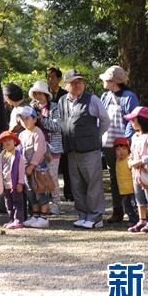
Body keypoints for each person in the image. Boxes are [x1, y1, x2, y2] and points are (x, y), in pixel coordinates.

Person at [57, 69, 110, 229]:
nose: (78, 84)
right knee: (76, 184)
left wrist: (95, 136)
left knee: (93, 184)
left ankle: (95, 217)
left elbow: (105, 121)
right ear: (66, 85)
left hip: (90, 150)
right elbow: (61, 121)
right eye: (73, 82)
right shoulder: (62, 101)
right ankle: (83, 215)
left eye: (80, 81)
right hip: (72, 150)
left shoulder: (92, 99)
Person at [99, 66, 138, 224]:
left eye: (105, 80)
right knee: (114, 178)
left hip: (124, 144)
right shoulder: (105, 96)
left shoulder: (129, 97)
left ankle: (134, 211)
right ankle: (118, 210)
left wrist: (126, 141)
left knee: (129, 176)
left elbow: (133, 119)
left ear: (112, 81)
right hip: (108, 144)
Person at [29, 80, 63, 215]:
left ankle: (56, 203)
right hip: (37, 148)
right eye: (35, 93)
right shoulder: (32, 108)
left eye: (40, 93)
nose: (37, 96)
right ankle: (43, 204)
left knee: (52, 177)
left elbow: (57, 126)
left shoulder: (55, 107)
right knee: (39, 178)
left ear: (46, 94)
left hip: (53, 148)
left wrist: (41, 118)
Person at [124, 107, 148, 234]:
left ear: (142, 121)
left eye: (134, 120)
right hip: (136, 173)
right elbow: (133, 153)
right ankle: (142, 219)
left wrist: (138, 162)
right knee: (139, 197)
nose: (131, 123)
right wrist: (130, 160)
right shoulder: (135, 136)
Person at [16, 106, 51, 229]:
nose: (25, 121)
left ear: (35, 119)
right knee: (31, 192)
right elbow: (19, 151)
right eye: (22, 119)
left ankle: (44, 217)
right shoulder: (21, 135)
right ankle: (35, 215)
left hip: (38, 169)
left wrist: (32, 165)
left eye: (27, 118)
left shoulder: (38, 132)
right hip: (26, 168)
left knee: (41, 191)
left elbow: (39, 151)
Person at [46, 67, 73, 202]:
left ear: (59, 78)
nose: (50, 80)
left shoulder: (65, 94)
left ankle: (69, 193)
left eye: (52, 77)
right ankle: (51, 194)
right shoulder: (45, 94)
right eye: (48, 77)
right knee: (50, 166)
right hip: (50, 135)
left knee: (67, 165)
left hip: (64, 132)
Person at [0, 130, 25, 230]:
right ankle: (11, 219)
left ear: (14, 142)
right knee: (8, 203)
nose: (7, 142)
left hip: (15, 184)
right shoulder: (2, 156)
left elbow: (21, 170)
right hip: (6, 184)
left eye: (9, 140)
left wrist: (20, 182)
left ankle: (18, 220)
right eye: (4, 141)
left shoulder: (18, 155)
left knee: (17, 203)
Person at [111, 137, 139, 228]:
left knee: (135, 205)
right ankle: (133, 219)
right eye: (118, 149)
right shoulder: (117, 161)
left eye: (124, 149)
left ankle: (139, 219)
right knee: (127, 207)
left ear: (128, 150)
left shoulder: (129, 160)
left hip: (132, 189)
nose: (121, 152)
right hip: (123, 190)